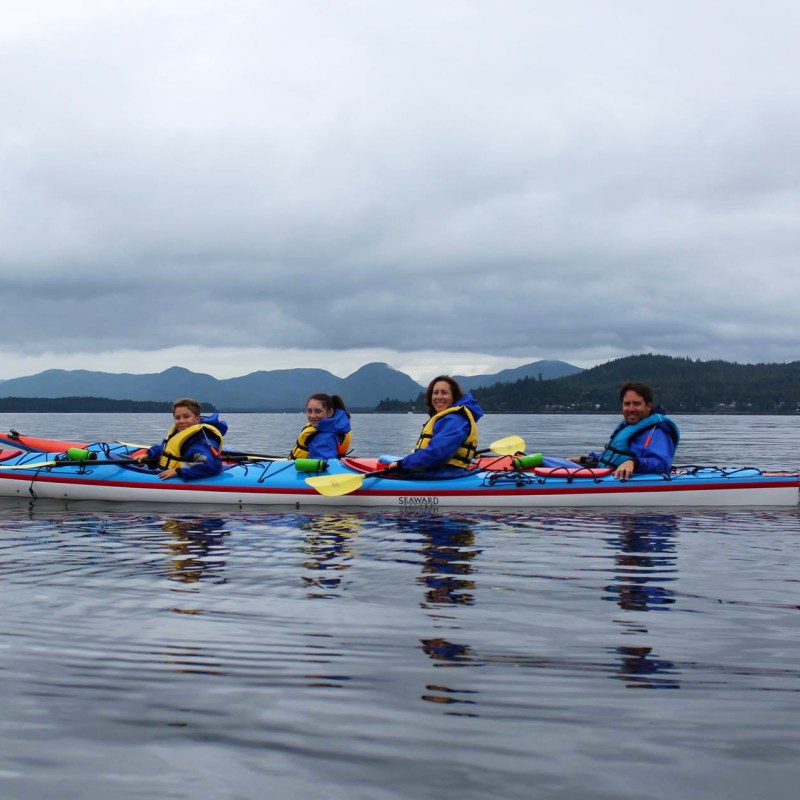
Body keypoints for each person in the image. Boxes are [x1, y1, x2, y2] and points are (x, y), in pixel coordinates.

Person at [568, 381, 680, 480]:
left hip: (633, 480)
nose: (631, 409)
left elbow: (662, 464)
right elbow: (615, 457)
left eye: (636, 404)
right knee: (558, 462)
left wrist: (633, 463)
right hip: (607, 473)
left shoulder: (658, 431)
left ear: (648, 406)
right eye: (627, 404)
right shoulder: (627, 427)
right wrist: (585, 460)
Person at [386, 376, 484, 477]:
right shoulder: (449, 418)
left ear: (454, 397)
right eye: (435, 393)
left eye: (444, 393)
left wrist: (401, 464)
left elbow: (436, 453)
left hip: (446, 474)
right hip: (440, 471)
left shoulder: (454, 420)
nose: (439, 397)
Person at [133, 397, 228, 481]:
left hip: (182, 473)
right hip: (163, 468)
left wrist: (178, 471)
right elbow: (166, 448)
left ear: (197, 419)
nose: (181, 421)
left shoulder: (200, 441)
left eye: (186, 417)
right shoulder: (179, 432)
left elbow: (209, 464)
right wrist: (148, 454)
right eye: (177, 418)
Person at [290, 393, 352, 460]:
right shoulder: (334, 428)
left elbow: (323, 464)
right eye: (309, 411)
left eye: (318, 411)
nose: (312, 416)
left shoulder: (323, 438)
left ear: (330, 412)